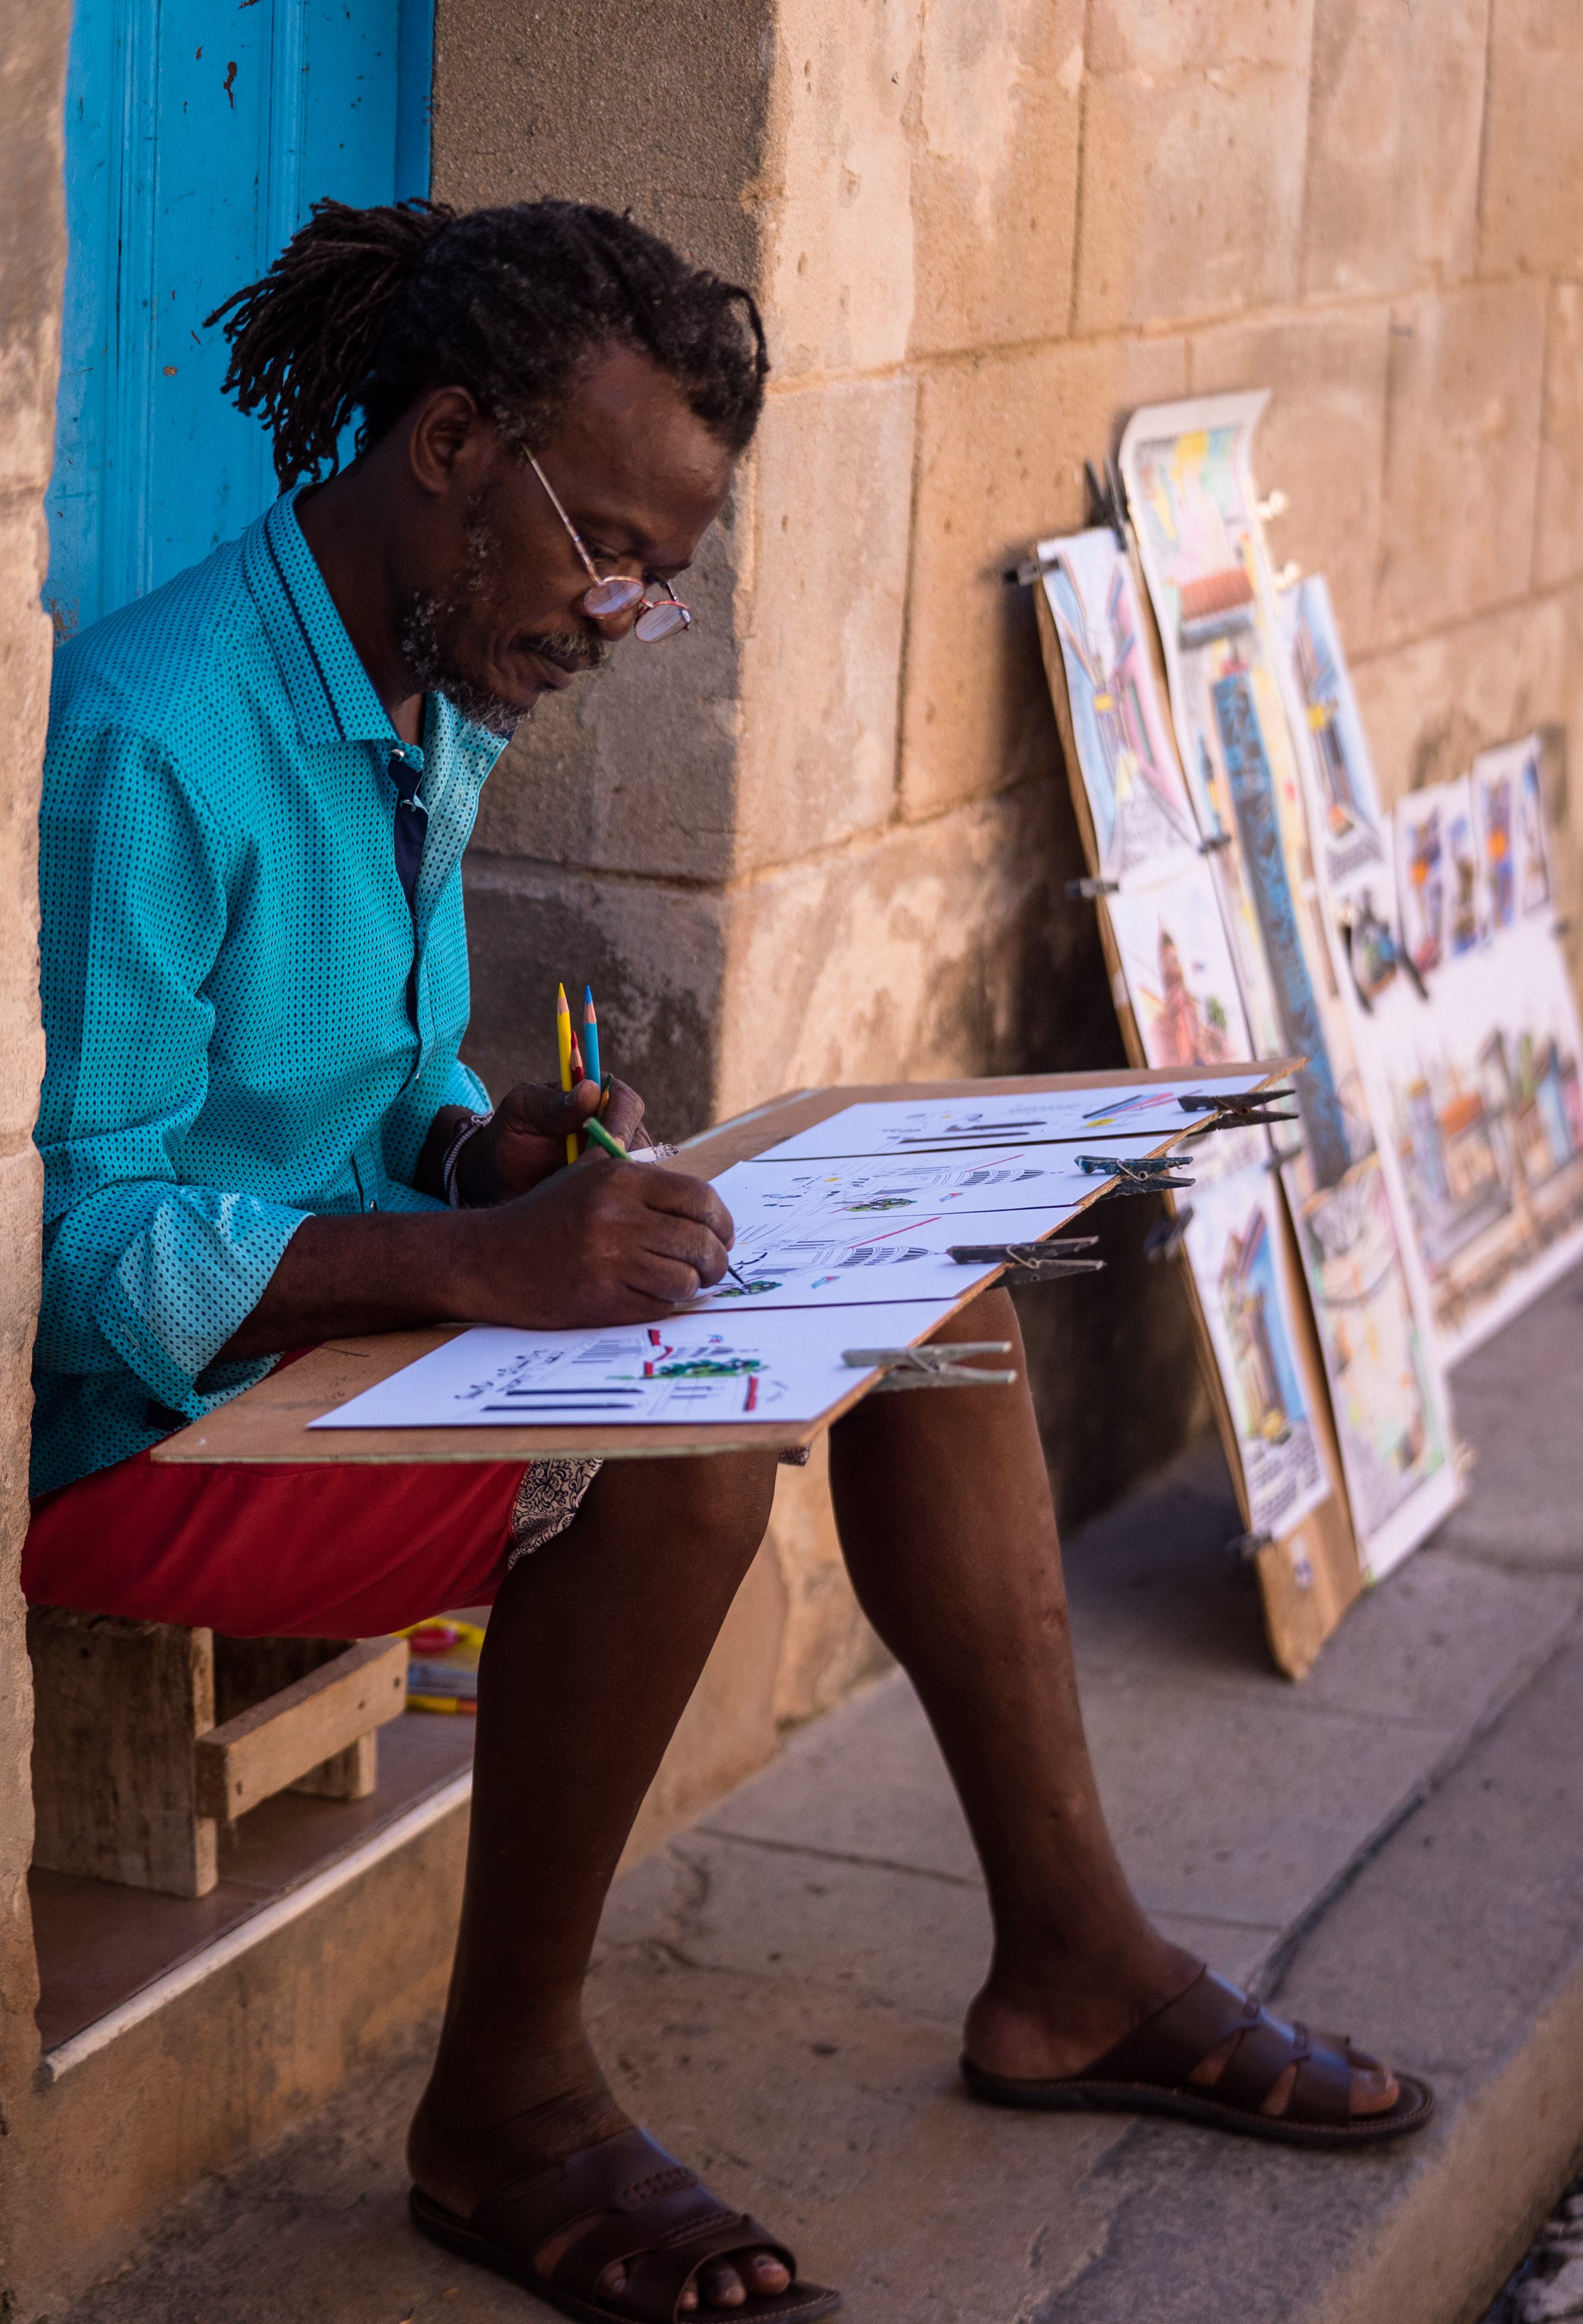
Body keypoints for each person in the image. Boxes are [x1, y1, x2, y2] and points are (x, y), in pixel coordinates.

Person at [24, 200, 1431, 2324]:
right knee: (688, 1445)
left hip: (361, 1353)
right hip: (159, 1441)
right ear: (445, 448)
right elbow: (82, 1236)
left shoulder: (428, 687)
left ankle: (1072, 1956)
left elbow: (368, 1079)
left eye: (662, 580)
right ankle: (505, 2104)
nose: (617, 611)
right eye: (607, 542)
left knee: (929, 1315)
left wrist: (485, 1144)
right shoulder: (150, 732)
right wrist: (480, 1261)